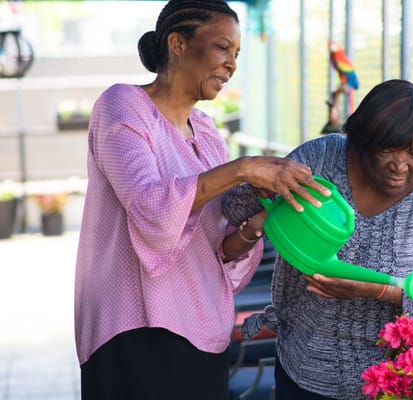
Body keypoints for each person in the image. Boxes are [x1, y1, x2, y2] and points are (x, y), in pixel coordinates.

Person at [73, 1, 329, 399]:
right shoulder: (123, 107)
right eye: (222, 48)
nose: (231, 65)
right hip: (134, 327)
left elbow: (218, 250)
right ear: (178, 44)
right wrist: (243, 169)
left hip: (203, 330)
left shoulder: (208, 136)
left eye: (237, 54)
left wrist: (258, 221)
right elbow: (153, 213)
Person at [222, 79, 413, 399]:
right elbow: (233, 209)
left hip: (397, 384)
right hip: (303, 366)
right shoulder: (320, 160)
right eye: (387, 149)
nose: (400, 166)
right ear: (360, 140)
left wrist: (383, 291)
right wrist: (258, 184)